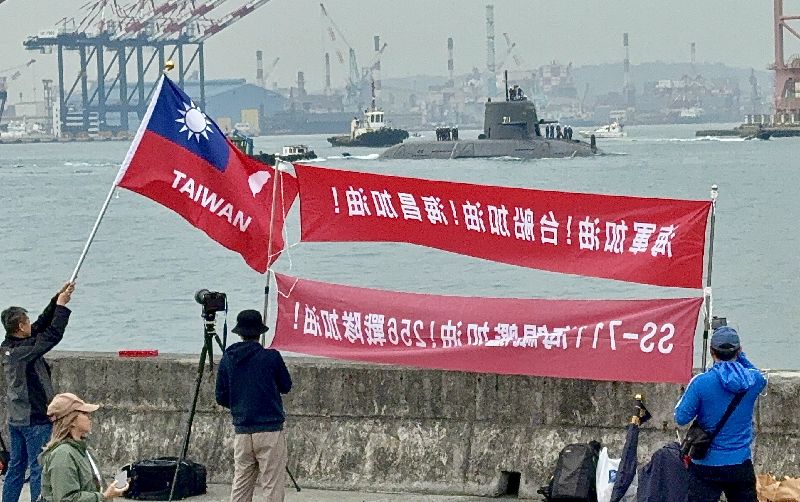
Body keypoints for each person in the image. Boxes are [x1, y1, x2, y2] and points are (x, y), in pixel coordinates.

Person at [674, 326, 767, 502]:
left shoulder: (701, 383)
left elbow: (680, 417)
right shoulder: (753, 381)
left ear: (711, 352)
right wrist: (741, 358)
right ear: (739, 351)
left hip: (705, 464)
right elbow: (758, 373)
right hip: (740, 463)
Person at [1, 282, 75, 502]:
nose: (31, 323)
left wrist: (57, 300)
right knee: (38, 467)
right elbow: (52, 335)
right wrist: (61, 308)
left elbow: (41, 326)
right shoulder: (23, 352)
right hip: (34, 419)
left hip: (16, 419)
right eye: (27, 321)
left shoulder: (10, 346)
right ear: (21, 326)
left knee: (15, 467)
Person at [216, 309, 293, 502]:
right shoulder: (271, 357)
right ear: (260, 333)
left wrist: (240, 404)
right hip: (270, 430)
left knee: (241, 485)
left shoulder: (228, 358)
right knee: (272, 487)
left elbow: (221, 396)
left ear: (239, 333)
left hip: (242, 430)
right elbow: (286, 386)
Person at [39, 392, 127, 502]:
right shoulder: (63, 455)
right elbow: (66, 499)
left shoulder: (84, 449)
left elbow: (91, 486)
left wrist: (111, 490)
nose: (90, 417)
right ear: (72, 420)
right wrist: (103, 497)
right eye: (84, 413)